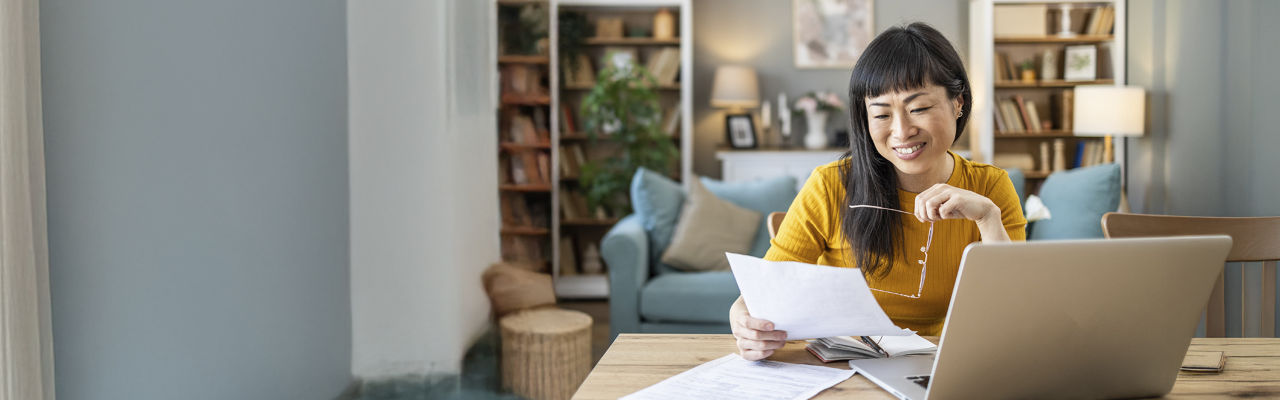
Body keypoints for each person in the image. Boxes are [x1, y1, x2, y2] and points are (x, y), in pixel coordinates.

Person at [729, 22, 1027, 361]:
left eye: (919, 109)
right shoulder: (830, 185)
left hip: (945, 362)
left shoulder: (990, 187)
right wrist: (742, 319)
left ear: (958, 103)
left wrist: (989, 219)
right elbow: (763, 292)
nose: (901, 131)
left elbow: (1013, 311)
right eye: (882, 114)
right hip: (844, 364)